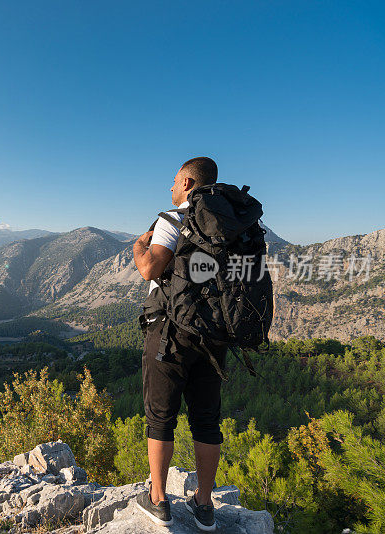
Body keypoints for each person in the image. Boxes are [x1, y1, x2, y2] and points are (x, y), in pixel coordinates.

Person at [131, 156, 224, 532]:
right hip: (214, 334)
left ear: (187, 183)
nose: (170, 188)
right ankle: (204, 504)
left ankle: (158, 500)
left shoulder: (174, 219)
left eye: (173, 181)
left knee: (160, 416)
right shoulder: (231, 226)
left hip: (171, 332)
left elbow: (150, 269)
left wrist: (139, 246)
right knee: (206, 418)